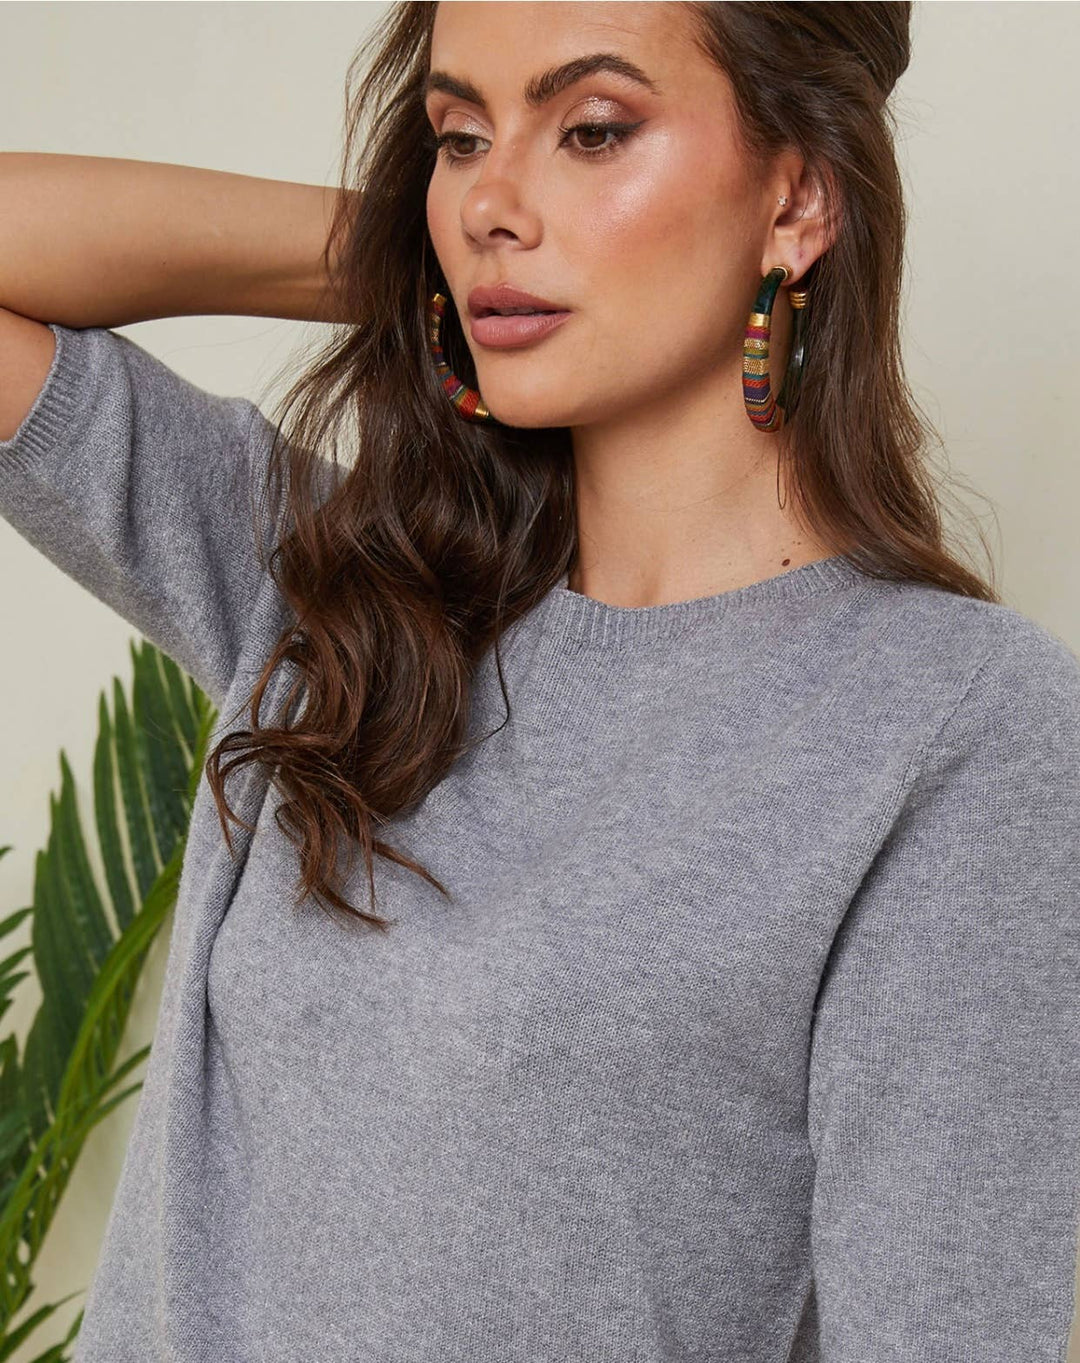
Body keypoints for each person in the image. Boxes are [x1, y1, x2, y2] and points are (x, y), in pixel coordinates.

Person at [1, 3, 1078, 1360]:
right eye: (458, 138)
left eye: (592, 131)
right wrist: (415, 260)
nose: (494, 202)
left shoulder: (953, 728)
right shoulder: (334, 593)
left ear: (797, 195)